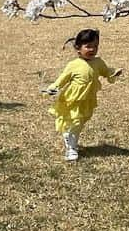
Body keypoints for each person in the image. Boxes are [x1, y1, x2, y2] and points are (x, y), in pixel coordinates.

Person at [41, 28, 124, 162]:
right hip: (73, 100)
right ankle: (71, 148)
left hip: (88, 100)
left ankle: (69, 136)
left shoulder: (98, 62)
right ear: (78, 48)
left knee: (81, 121)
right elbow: (62, 79)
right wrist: (53, 88)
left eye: (95, 46)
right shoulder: (73, 65)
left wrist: (114, 73)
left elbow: (106, 71)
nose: (92, 49)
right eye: (88, 46)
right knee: (76, 122)